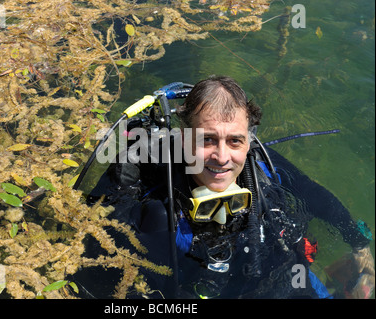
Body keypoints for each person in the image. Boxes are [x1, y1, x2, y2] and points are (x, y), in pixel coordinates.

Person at [83, 75, 374, 299]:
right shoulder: (153, 200)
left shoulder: (260, 162)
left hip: (283, 280)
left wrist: (359, 243)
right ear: (183, 138)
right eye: (207, 139)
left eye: (234, 140)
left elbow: (313, 194)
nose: (222, 157)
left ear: (248, 140)